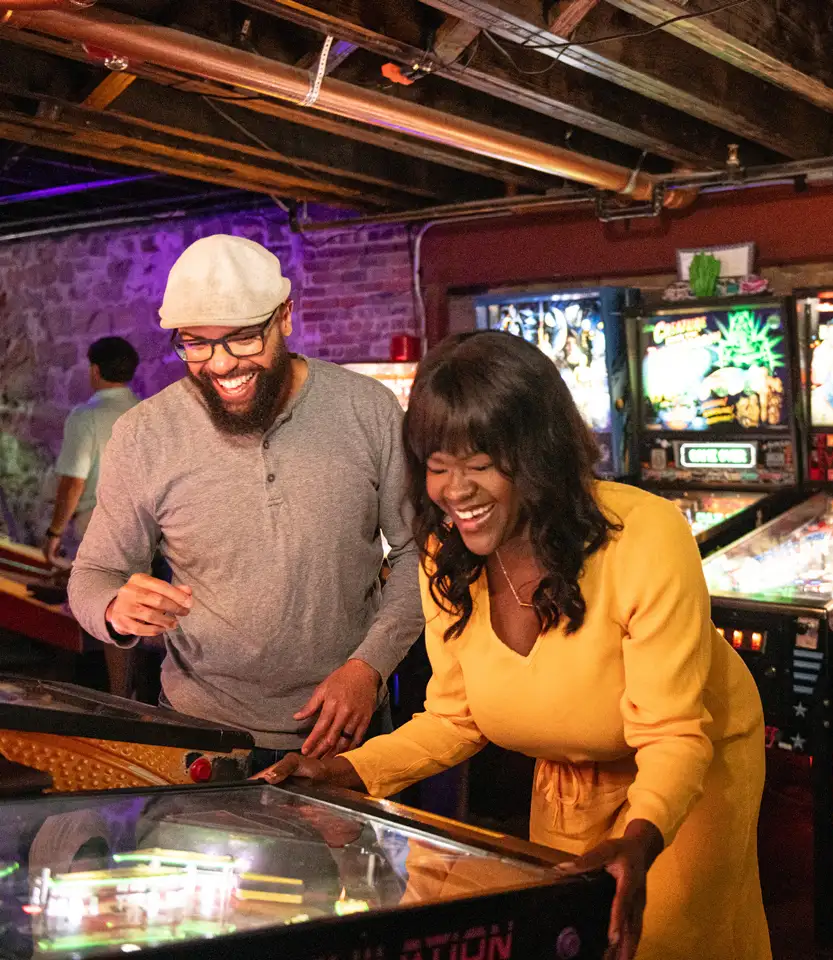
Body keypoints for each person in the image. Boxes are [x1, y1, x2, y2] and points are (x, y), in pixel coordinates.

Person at [260, 331, 770, 960]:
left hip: (690, 762)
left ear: (541, 457)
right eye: (437, 465)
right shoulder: (445, 555)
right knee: (562, 935)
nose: (454, 490)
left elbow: (672, 733)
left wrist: (641, 839)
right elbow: (455, 717)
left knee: (658, 939)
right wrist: (352, 769)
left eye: (480, 465)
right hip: (569, 760)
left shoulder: (646, 535)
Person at [68, 234, 423, 769]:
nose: (221, 365)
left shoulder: (366, 410)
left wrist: (368, 667)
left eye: (241, 339)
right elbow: (93, 574)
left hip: (344, 737)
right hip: (199, 735)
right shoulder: (145, 434)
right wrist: (115, 609)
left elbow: (418, 553)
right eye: (196, 344)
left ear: (284, 317)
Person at [44, 336, 141, 566]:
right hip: (142, 531)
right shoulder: (146, 413)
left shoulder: (86, 416)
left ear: (95, 371)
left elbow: (73, 482)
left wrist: (54, 532)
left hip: (97, 529)